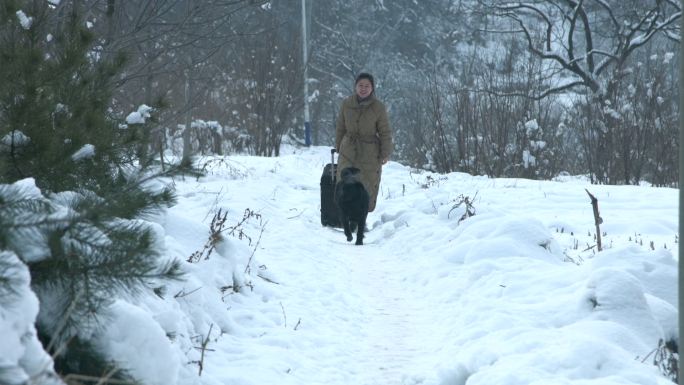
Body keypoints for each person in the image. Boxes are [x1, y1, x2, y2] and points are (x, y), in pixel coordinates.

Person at [335, 72, 393, 213]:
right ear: (355, 87)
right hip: (348, 148)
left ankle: (360, 217)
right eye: (360, 85)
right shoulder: (346, 104)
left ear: (372, 88)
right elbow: (340, 127)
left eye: (367, 86)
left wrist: (385, 153)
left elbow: (385, 131)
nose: (363, 88)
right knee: (345, 181)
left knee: (365, 184)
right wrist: (339, 146)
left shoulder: (378, 107)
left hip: (369, 152)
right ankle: (345, 216)